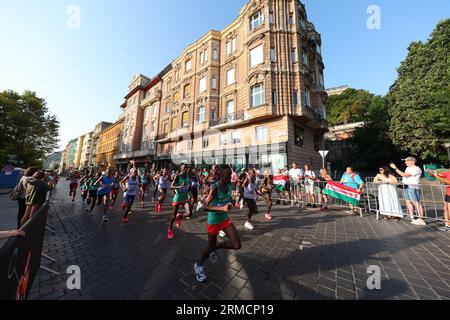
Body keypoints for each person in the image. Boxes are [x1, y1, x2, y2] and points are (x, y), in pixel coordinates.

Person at [194, 164, 242, 283]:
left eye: (230, 174)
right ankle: (198, 265)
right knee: (210, 246)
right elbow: (205, 207)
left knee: (237, 245)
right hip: (214, 221)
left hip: (224, 219)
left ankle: (216, 247)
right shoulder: (215, 188)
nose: (230, 177)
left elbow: (227, 202)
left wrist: (231, 203)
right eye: (227, 175)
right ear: (221, 175)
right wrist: (222, 208)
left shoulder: (230, 186)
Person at [390, 157, 426, 226]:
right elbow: (405, 177)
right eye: (405, 161)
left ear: (413, 161)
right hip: (406, 186)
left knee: (416, 202)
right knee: (408, 201)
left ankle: (421, 219)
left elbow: (404, 175)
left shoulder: (416, 168)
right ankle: (411, 216)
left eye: (407, 161)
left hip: (413, 187)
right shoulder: (408, 168)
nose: (405, 162)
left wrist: (395, 168)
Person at [168, 164, 192, 240]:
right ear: (181, 169)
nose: (185, 169)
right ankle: (170, 229)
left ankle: (180, 216)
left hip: (185, 198)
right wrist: (179, 187)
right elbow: (171, 186)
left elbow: (189, 187)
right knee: (173, 216)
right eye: (184, 168)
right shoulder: (178, 176)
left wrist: (190, 194)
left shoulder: (188, 176)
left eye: (186, 168)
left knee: (189, 213)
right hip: (178, 198)